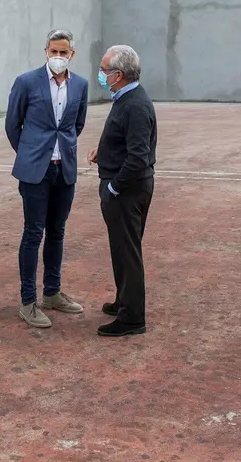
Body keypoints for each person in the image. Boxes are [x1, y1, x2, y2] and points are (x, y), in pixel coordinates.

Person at [5, 29, 89, 328]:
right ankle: (28, 301)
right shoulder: (26, 81)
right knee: (33, 233)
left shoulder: (80, 84)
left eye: (63, 52)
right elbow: (13, 124)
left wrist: (59, 151)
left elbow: (76, 124)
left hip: (64, 169)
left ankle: (52, 292)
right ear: (46, 51)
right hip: (34, 171)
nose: (58, 57)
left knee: (57, 231)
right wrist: (29, 153)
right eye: (53, 51)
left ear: (71, 54)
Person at [88, 45, 157, 337]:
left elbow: (138, 156)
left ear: (118, 75)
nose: (101, 75)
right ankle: (124, 301)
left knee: (128, 251)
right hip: (124, 186)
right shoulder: (125, 98)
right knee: (121, 248)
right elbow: (124, 142)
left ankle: (132, 318)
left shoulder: (135, 105)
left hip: (127, 190)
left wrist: (114, 187)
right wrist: (103, 153)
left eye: (104, 71)